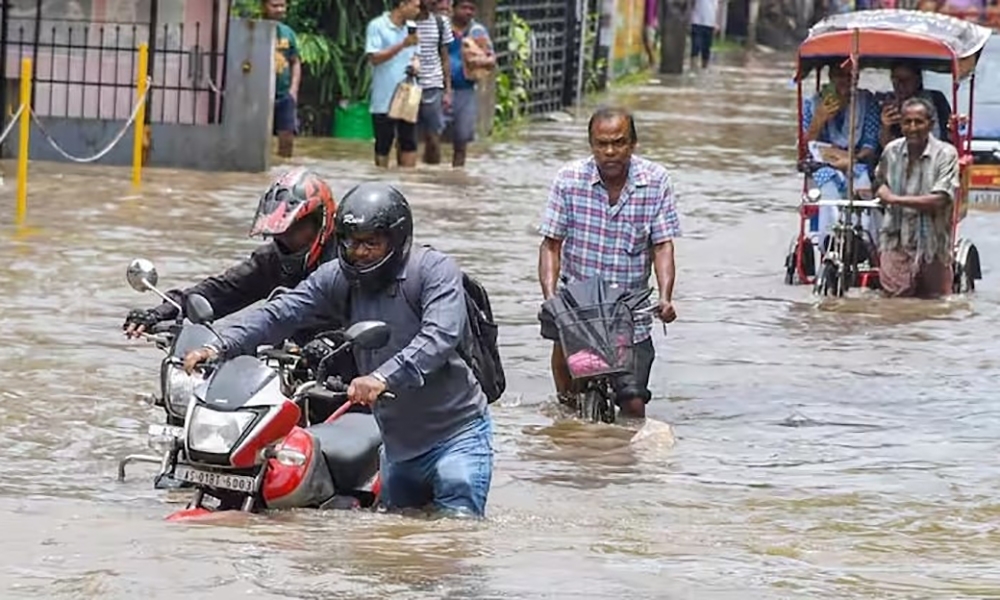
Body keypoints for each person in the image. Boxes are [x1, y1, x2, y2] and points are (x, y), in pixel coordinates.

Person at [181, 182, 495, 518]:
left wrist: (381, 377)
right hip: (398, 445)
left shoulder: (434, 271)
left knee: (457, 536)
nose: (358, 252)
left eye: (370, 243)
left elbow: (439, 336)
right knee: (395, 545)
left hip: (455, 436)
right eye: (350, 242)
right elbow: (283, 311)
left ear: (397, 239)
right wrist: (221, 344)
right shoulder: (339, 276)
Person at [537, 107, 680, 419]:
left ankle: (626, 468)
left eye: (619, 142)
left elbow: (662, 245)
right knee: (569, 405)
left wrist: (666, 298)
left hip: (629, 312)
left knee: (633, 405)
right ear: (591, 145)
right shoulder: (569, 180)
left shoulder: (655, 182)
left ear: (633, 144)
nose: (610, 151)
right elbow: (551, 245)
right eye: (602, 144)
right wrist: (550, 299)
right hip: (579, 308)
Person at [875, 97, 959, 299]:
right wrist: (881, 190)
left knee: (935, 303)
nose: (913, 128)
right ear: (901, 124)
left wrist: (894, 199)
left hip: (933, 244)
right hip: (895, 240)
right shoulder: (891, 151)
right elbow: (879, 181)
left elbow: (940, 199)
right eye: (907, 122)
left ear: (930, 124)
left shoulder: (946, 154)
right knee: (895, 305)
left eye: (919, 122)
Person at [802, 62, 881, 237]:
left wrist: (851, 160)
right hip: (822, 167)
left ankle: (866, 237)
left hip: (858, 165)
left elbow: (870, 145)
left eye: (849, 76)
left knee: (864, 182)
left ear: (856, 78)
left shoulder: (868, 103)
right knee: (826, 184)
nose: (844, 82)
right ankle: (826, 238)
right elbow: (804, 148)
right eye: (839, 76)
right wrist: (819, 120)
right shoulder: (811, 104)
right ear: (830, 77)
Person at [366, 0, 423, 168]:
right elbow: (374, 58)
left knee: (409, 142)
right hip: (384, 97)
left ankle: (407, 185)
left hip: (407, 95)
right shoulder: (377, 26)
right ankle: (381, 182)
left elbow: (415, 54)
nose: (418, 10)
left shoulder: (412, 27)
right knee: (383, 144)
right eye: (415, 6)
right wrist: (402, 45)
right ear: (402, 4)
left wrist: (416, 64)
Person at [445, 0, 496, 168]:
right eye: (464, 7)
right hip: (437, 88)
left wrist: (478, 59)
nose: (468, 12)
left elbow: (491, 59)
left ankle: (457, 174)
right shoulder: (441, 28)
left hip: (465, 89)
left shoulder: (477, 32)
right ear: (453, 9)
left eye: (471, 8)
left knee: (462, 138)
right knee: (429, 137)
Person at [877, 62, 952, 149]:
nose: (900, 85)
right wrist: (886, 126)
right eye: (896, 80)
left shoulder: (936, 99)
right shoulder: (888, 103)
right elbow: (886, 147)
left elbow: (946, 132)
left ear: (917, 80)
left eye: (906, 80)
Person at [415, 0, 454, 165]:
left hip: (433, 84)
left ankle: (433, 176)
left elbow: (445, 58)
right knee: (407, 137)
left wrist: (448, 90)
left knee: (433, 136)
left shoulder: (441, 22)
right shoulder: (407, 22)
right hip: (408, 85)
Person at [262, 0, 301, 158]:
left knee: (287, 139)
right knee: (257, 140)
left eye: (282, 6)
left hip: (284, 94)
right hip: (259, 95)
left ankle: (283, 173)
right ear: (264, 6)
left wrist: (293, 90)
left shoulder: (288, 32)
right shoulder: (254, 29)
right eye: (274, 5)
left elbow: (295, 62)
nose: (279, 9)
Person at [689, 0, 719, 70]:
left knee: (706, 48)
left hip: (710, 24)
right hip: (697, 22)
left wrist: (716, 22)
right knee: (696, 45)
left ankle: (704, 67)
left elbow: (716, 9)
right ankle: (693, 67)